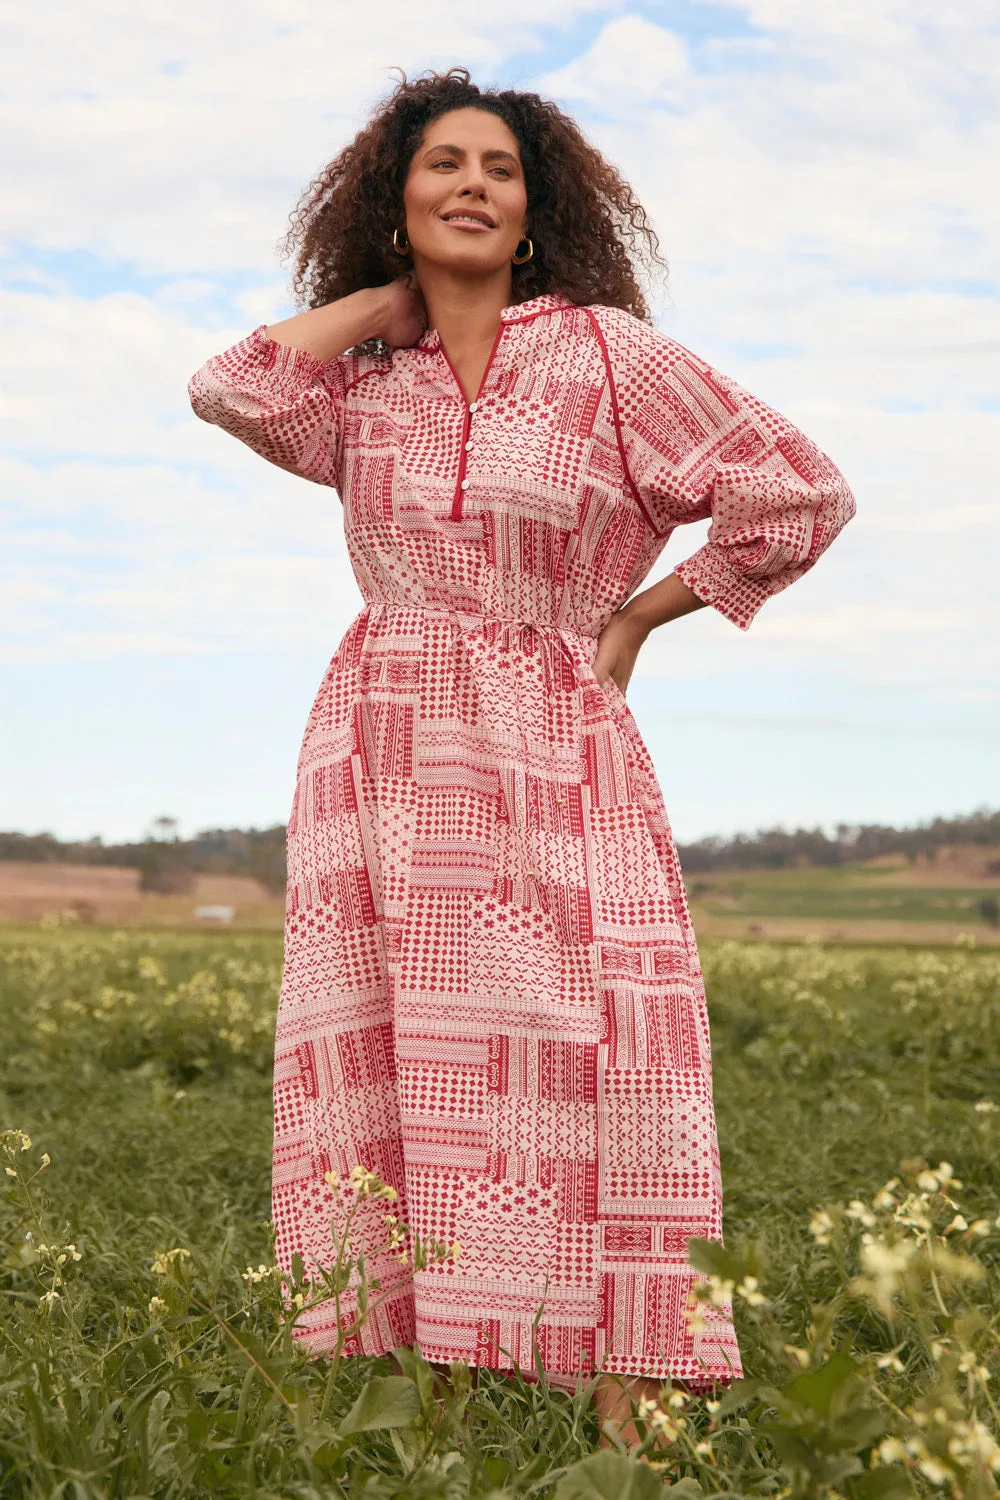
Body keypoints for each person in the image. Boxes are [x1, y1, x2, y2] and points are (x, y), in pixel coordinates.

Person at [189, 66, 855, 1437]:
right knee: (399, 1041)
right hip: (384, 744)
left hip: (554, 731)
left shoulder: (609, 357)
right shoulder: (364, 387)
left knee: (602, 1038)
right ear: (396, 200)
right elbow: (228, 386)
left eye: (500, 169)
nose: (473, 186)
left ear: (539, 212)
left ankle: (627, 1380)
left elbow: (798, 492)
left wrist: (644, 616)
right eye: (443, 164)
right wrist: (385, 303)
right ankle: (436, 1376)